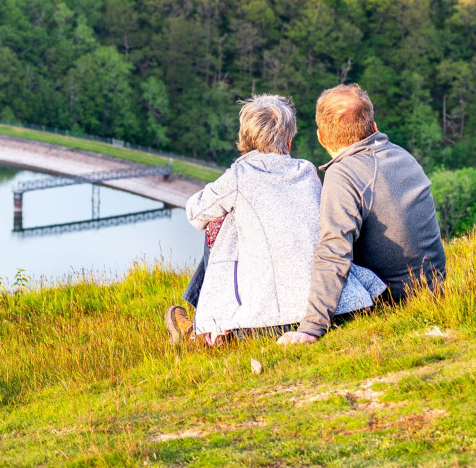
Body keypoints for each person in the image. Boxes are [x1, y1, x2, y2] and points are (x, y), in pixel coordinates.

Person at [165, 94, 387, 345]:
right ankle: (202, 322)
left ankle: (204, 329)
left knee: (220, 221)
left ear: (244, 138)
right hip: (340, 308)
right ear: (290, 139)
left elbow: (195, 214)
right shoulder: (307, 171)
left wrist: (220, 189)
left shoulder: (239, 175)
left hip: (268, 321)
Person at [276, 84, 446, 346]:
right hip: (434, 289)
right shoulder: (403, 155)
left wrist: (311, 328)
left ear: (322, 138)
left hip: (393, 301)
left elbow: (334, 252)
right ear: (374, 127)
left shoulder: (343, 174)